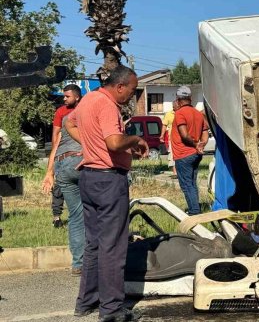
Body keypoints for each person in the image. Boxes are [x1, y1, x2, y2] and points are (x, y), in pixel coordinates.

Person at [65, 66, 148, 321]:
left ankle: (86, 302)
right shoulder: (109, 105)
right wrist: (134, 140)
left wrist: (92, 145)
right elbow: (113, 142)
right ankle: (111, 310)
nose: (132, 96)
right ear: (120, 86)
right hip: (108, 181)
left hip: (88, 178)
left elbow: (70, 123)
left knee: (94, 243)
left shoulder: (89, 98)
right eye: (132, 90)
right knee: (112, 247)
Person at [41, 84, 84, 275]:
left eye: (67, 96)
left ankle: (78, 263)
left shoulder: (68, 118)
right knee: (98, 210)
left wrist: (49, 172)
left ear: (77, 96)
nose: (64, 99)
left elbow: (56, 143)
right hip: (78, 161)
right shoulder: (83, 113)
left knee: (75, 215)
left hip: (62, 166)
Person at [171, 85, 209, 215]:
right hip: (196, 154)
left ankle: (194, 212)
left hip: (183, 154)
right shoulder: (198, 114)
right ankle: (195, 208)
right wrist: (202, 144)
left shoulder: (180, 113)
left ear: (178, 99)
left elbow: (184, 135)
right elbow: (205, 130)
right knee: (192, 183)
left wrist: (194, 145)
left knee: (187, 185)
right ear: (190, 98)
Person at [160, 100, 180, 178]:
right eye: (174, 105)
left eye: (176, 105)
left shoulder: (182, 113)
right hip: (172, 138)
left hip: (182, 139)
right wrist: (162, 135)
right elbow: (164, 125)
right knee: (172, 155)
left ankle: (180, 172)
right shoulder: (169, 114)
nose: (174, 106)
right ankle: (175, 173)